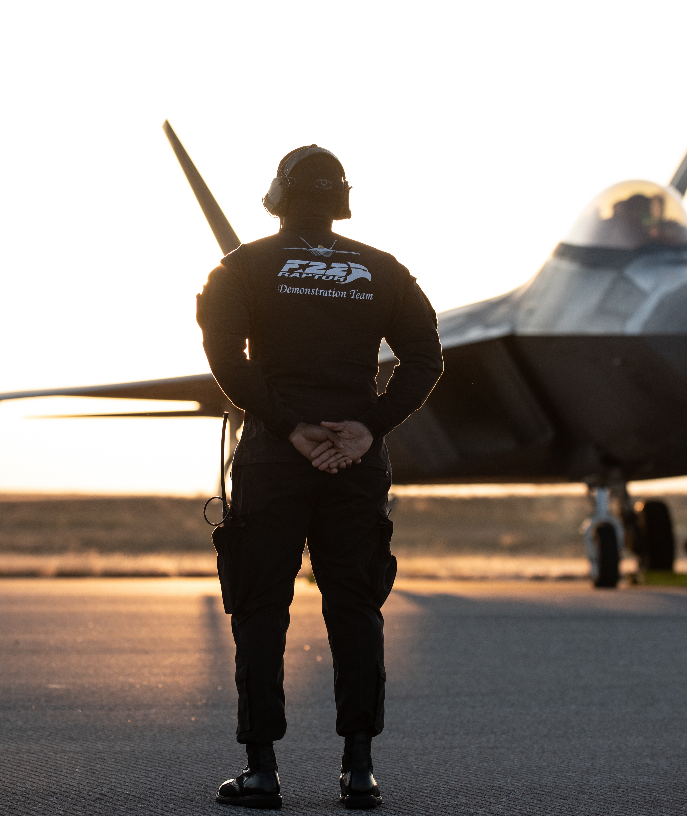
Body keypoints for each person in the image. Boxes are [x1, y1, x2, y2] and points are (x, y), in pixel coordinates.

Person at [196, 144, 443, 810]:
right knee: (356, 608)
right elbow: (426, 357)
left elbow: (223, 356)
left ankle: (262, 772)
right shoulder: (383, 270)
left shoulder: (241, 268)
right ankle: (359, 771)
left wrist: (288, 425)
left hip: (274, 457)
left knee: (259, 609)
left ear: (276, 197)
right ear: (341, 200)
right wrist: (370, 428)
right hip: (356, 461)